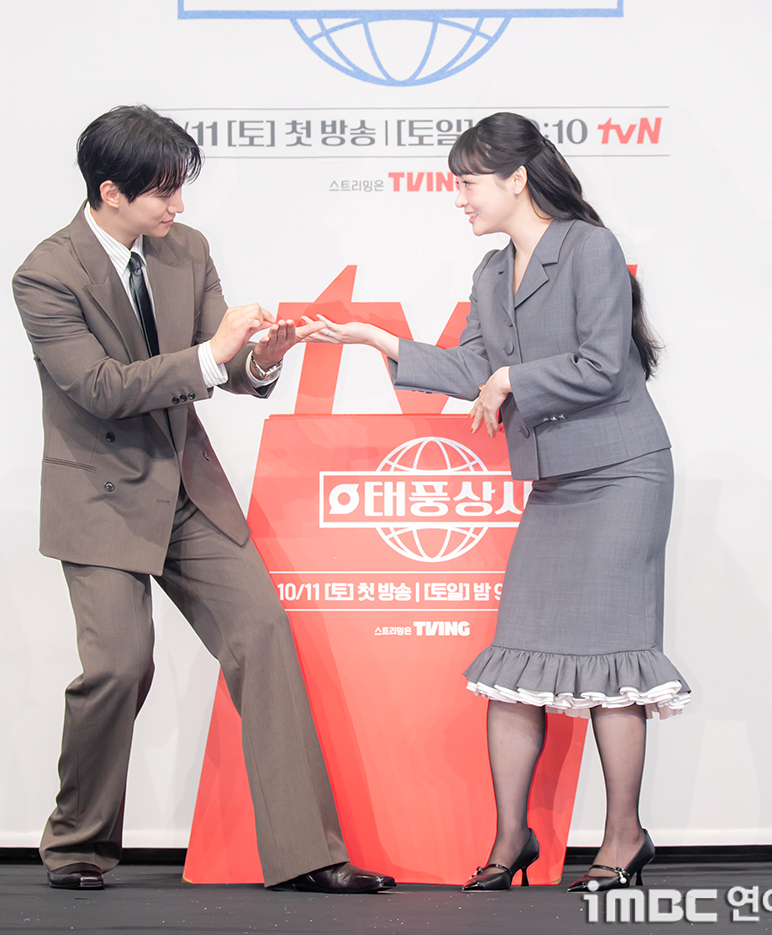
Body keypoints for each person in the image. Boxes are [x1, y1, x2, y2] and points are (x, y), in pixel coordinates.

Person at [12, 105, 394, 895]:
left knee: (263, 633)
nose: (178, 206)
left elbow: (228, 368)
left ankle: (307, 854)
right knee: (119, 667)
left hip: (187, 487)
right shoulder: (45, 274)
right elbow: (101, 389)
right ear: (110, 192)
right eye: (164, 192)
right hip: (100, 497)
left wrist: (261, 359)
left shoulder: (186, 250)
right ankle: (78, 841)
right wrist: (212, 355)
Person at [309, 112, 691, 893]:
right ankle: (511, 839)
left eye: (468, 182)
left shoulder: (589, 248)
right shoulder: (490, 272)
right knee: (516, 660)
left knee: (611, 658)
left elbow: (601, 365)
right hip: (555, 485)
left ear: (516, 179)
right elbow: (471, 368)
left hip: (622, 473)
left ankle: (625, 838)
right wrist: (376, 341)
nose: (459, 198)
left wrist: (512, 379)